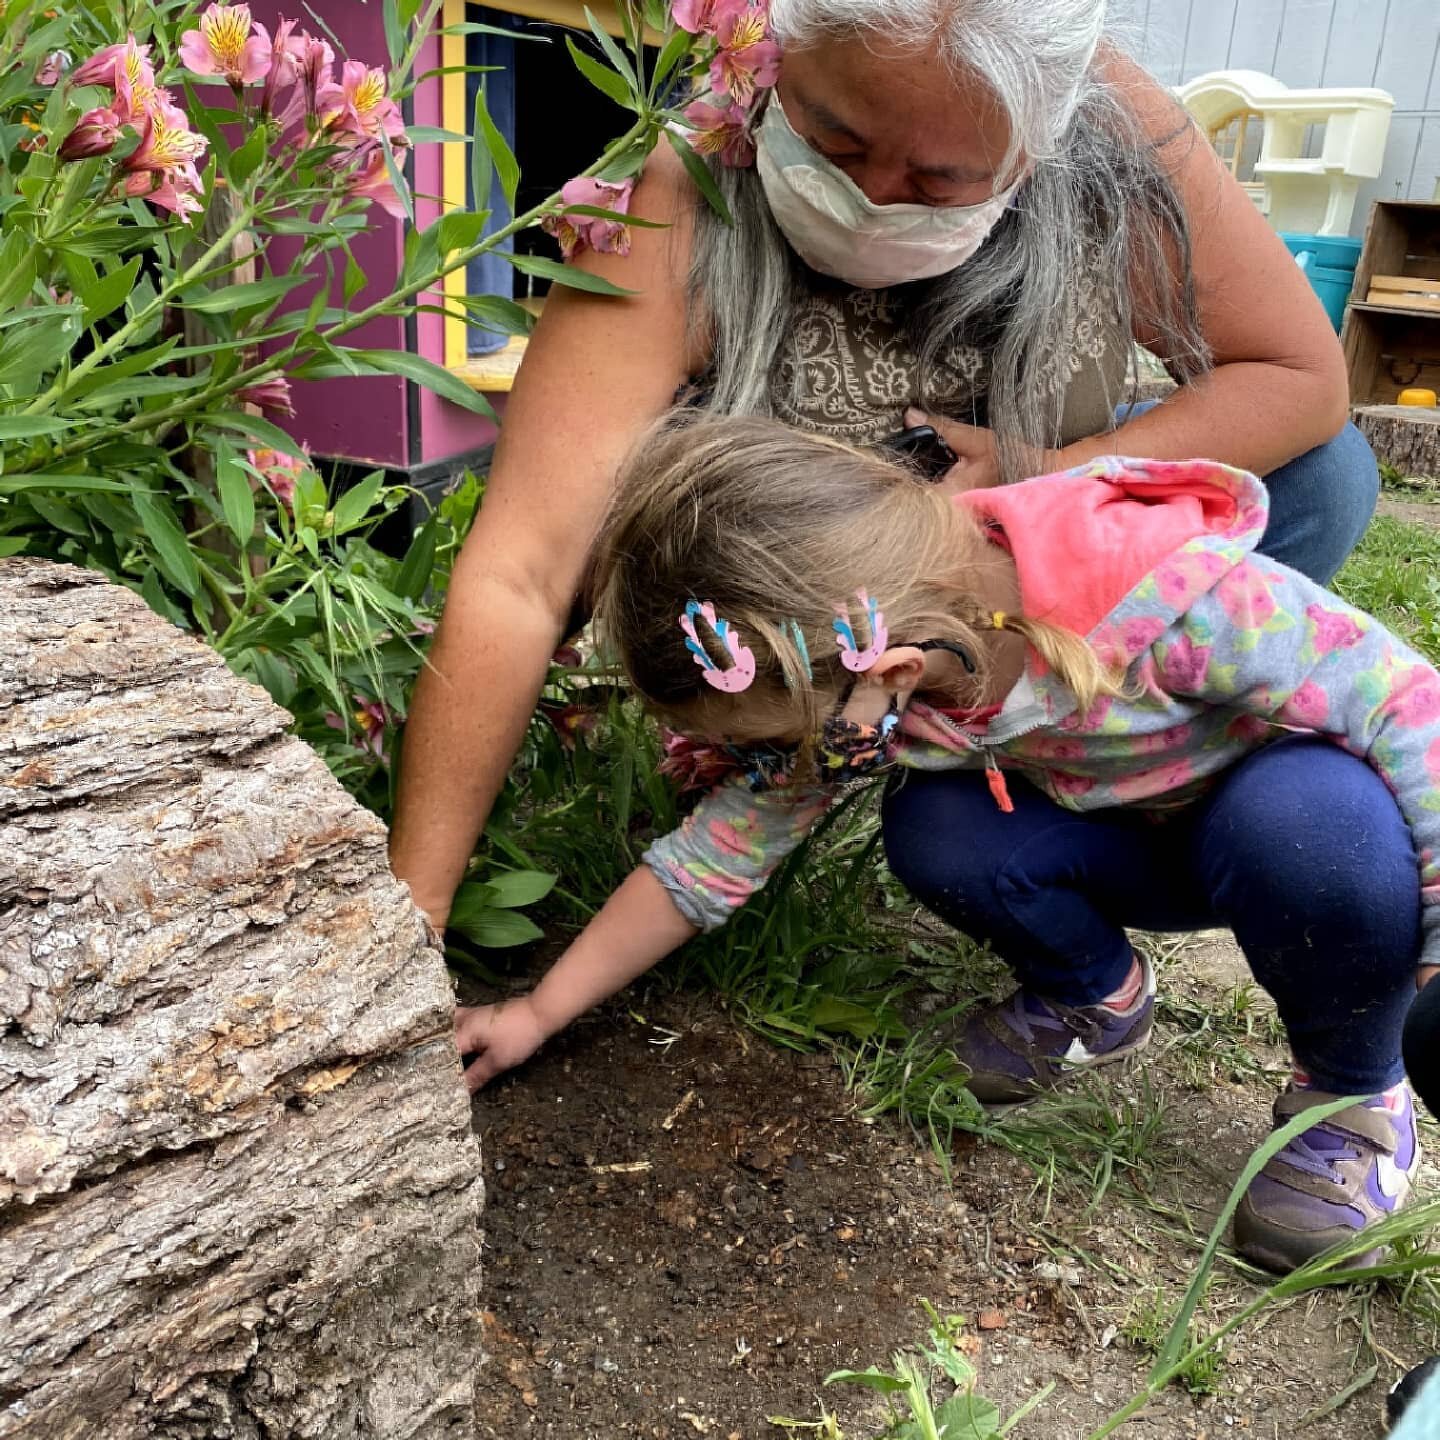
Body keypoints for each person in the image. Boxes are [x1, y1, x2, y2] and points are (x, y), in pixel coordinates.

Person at [389, 0, 1378, 946]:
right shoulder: (681, 190)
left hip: (1001, 570)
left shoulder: (1113, 126)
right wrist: (412, 920)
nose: (872, 198)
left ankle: (1095, 731)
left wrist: (1050, 478)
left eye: (941, 179)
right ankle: (830, 742)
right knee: (818, 750)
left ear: (1038, 145)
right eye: (835, 140)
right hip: (801, 595)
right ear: (775, 53)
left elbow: (1297, 377)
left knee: (1323, 479)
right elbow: (522, 567)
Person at [456, 414, 1432, 1276]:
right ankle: (1094, 990)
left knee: (1310, 822)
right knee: (935, 824)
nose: (776, 765)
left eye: (769, 741)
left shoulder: (1172, 590)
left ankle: (1351, 1090)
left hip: (1292, 849)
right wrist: (540, 1011)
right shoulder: (866, 680)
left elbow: (1404, 704)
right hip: (1128, 843)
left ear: (895, 669)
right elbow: (714, 857)